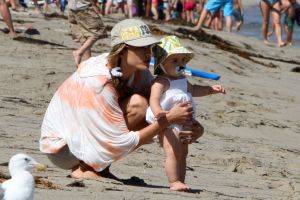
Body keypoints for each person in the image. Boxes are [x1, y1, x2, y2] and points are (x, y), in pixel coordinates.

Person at [39, 19, 202, 179]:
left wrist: (191, 126)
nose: (148, 53)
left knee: (149, 111)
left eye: (149, 47)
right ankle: (86, 167)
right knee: (139, 105)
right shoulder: (98, 80)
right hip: (63, 149)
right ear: (122, 50)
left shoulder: (139, 71)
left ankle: (99, 167)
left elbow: (160, 108)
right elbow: (121, 141)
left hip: (85, 137)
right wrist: (168, 120)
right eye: (141, 48)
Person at [146, 35, 225, 191]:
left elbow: (194, 90)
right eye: (174, 61)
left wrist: (209, 90)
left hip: (184, 121)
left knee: (183, 152)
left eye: (182, 60)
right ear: (161, 64)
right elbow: (153, 99)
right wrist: (159, 112)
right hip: (169, 121)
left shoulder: (182, 80)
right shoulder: (161, 81)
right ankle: (173, 181)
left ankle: (181, 180)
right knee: (173, 151)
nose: (180, 64)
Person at [68, 0, 107, 67]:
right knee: (98, 31)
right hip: (83, 7)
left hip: (71, 7)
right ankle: (79, 52)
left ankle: (87, 63)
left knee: (84, 36)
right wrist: (94, 5)